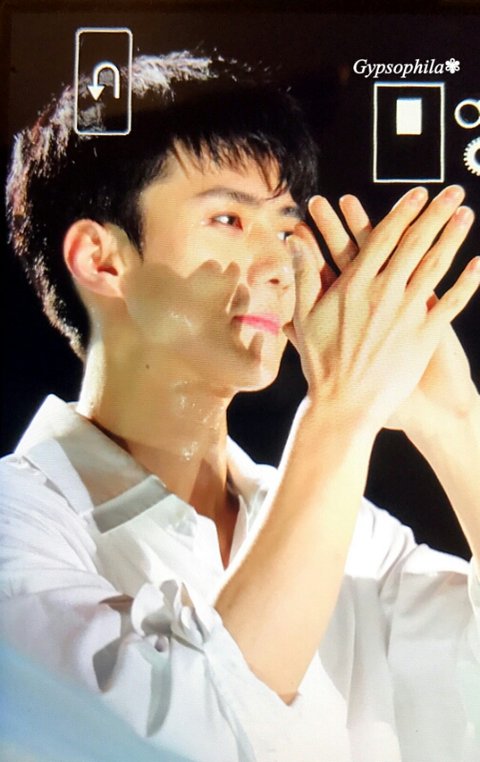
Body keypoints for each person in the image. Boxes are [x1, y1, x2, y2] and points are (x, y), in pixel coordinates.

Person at [1, 51, 479, 762]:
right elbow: (189, 738)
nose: (280, 265)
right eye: (229, 218)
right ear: (101, 259)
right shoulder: (20, 523)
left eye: (285, 230)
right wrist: (340, 412)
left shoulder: (353, 536)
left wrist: (456, 423)